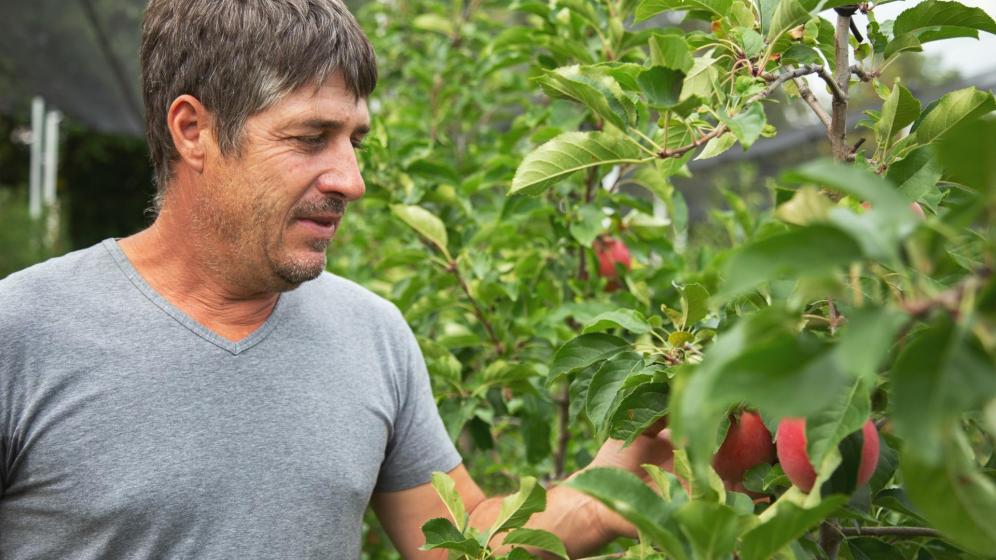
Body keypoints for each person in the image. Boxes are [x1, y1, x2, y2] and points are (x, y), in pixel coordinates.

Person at [0, 1, 677, 557]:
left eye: (354, 138)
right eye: (309, 137)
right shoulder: (24, 332)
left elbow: (457, 544)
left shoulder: (371, 333)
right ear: (193, 130)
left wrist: (608, 493)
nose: (350, 180)